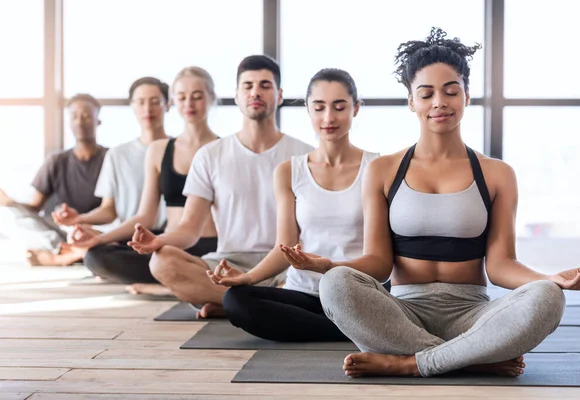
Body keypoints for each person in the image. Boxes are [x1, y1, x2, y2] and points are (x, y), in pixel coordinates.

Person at [284, 28, 580, 378]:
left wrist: (551, 278)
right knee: (335, 284)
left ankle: (412, 363)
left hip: (474, 314)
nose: (439, 102)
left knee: (549, 298)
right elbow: (378, 264)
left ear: (466, 96)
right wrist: (326, 265)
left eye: (451, 91)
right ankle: (473, 358)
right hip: (404, 314)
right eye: (426, 93)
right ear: (411, 101)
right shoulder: (383, 170)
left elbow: (500, 265)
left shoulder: (497, 174)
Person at [127, 55, 314, 317]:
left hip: (286, 263)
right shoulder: (210, 154)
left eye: (265, 85)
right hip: (229, 262)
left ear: (279, 95)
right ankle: (255, 302)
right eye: (247, 86)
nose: (255, 92)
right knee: (162, 262)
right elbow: (189, 229)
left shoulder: (305, 154)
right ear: (237, 96)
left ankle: (237, 304)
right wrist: (158, 240)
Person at [208, 68, 378, 341]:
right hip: (304, 293)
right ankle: (348, 331)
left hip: (357, 294)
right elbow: (284, 246)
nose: (328, 118)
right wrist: (248, 278)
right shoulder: (289, 171)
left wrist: (328, 265)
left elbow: (379, 259)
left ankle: (348, 325)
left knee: (375, 302)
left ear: (356, 108)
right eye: (319, 107)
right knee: (236, 301)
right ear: (308, 110)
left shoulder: (376, 167)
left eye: (339, 107)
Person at [68, 68, 220, 291]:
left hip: (211, 246)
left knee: (168, 259)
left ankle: (171, 285)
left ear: (211, 99)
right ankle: (180, 283)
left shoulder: (225, 149)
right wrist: (98, 240)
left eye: (197, 96)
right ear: (173, 102)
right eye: (182, 97)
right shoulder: (159, 150)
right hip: (169, 242)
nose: (189, 103)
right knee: (96, 256)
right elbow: (145, 216)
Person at [53, 77, 170, 267]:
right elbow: (109, 210)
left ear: (168, 105)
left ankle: (156, 277)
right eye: (140, 102)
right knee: (95, 256)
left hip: (169, 238)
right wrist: (79, 218)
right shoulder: (118, 154)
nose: (147, 109)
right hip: (129, 238)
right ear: (132, 106)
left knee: (172, 257)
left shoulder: (179, 150)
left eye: (155, 101)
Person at [0, 94, 107, 266]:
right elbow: (35, 207)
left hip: (96, 230)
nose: (80, 121)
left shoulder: (111, 159)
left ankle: (56, 257)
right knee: (10, 214)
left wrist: (83, 222)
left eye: (86, 115)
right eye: (74, 116)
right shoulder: (56, 161)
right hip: (62, 233)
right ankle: (66, 251)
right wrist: (10, 203)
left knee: (112, 233)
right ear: (69, 122)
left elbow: (113, 210)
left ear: (98, 120)